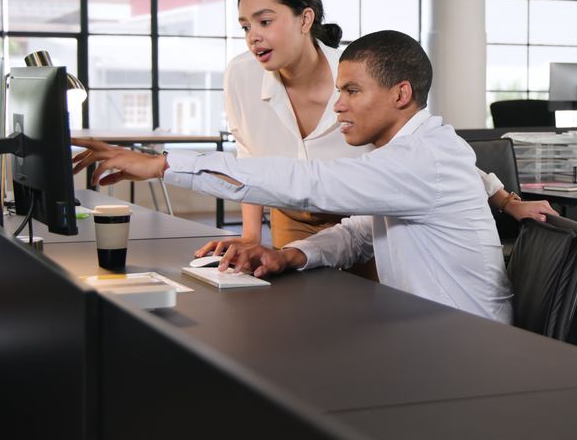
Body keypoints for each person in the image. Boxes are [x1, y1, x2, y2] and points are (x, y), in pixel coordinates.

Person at [72, 30, 513, 323]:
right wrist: (292, 256)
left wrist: (164, 164)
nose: (338, 105)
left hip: (465, 346)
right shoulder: (410, 154)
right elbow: (360, 231)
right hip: (429, 332)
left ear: (401, 94)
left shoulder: (420, 159)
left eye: (353, 91)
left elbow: (308, 183)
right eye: (340, 90)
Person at [201, 0, 552, 269]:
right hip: (290, 214)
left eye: (264, 21)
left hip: (364, 215)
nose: (253, 37)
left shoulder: (358, 71)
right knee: (301, 310)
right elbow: (249, 156)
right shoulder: (241, 74)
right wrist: (249, 235)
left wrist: (507, 202)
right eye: (245, 26)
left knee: (366, 313)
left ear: (305, 19)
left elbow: (427, 151)